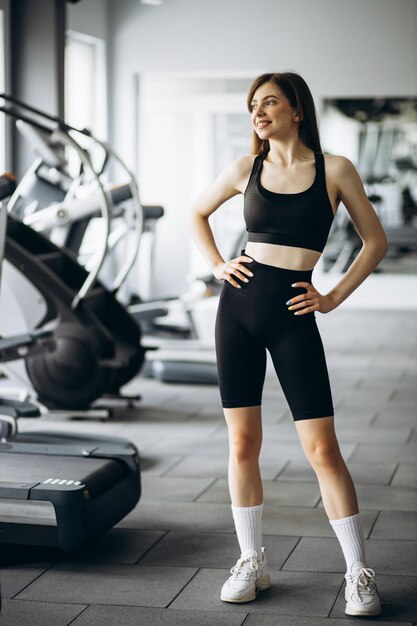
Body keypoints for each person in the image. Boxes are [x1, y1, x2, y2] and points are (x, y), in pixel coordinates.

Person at [189, 71, 388, 617]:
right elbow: (196, 212)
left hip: (294, 315)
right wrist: (216, 265)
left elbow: (375, 241)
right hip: (238, 312)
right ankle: (252, 560)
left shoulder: (334, 170)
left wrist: (333, 296)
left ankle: (358, 574)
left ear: (296, 110)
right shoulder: (244, 169)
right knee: (241, 444)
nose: (258, 111)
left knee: (323, 449)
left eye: (269, 102)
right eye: (253, 104)